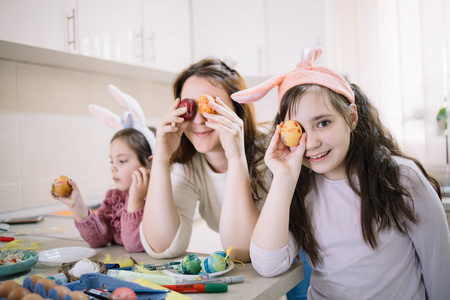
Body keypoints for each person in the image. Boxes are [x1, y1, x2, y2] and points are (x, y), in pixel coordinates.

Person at [231, 47, 450, 299]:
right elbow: (268, 265)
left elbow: (440, 272)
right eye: (297, 129)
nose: (311, 142)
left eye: (323, 123)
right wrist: (283, 180)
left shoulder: (401, 178)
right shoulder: (296, 186)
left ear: (352, 118)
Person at [140, 58, 269, 262]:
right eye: (189, 107)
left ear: (237, 110)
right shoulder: (190, 166)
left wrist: (235, 158)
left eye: (210, 106)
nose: (198, 120)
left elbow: (244, 251)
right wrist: (162, 159)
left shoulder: (271, 155)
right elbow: (161, 245)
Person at [51, 85, 155, 253]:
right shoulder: (113, 198)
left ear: (149, 163)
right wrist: (77, 206)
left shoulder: (155, 200)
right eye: (111, 161)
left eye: (121, 161)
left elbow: (134, 245)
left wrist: (135, 198)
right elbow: (99, 239)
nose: (113, 168)